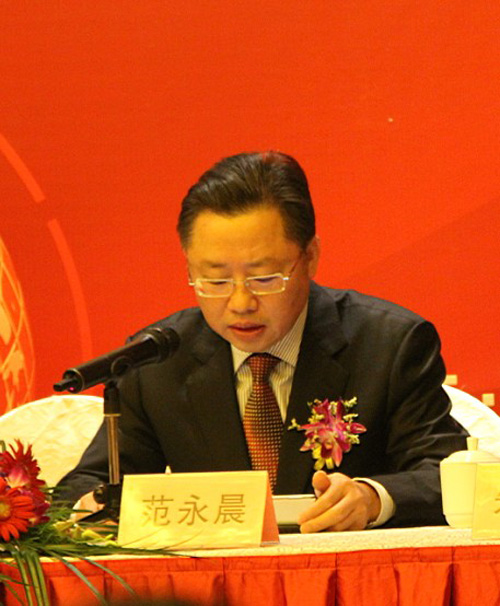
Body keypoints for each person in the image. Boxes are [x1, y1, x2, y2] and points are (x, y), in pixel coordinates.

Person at [57, 151, 467, 531]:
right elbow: (85, 484)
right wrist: (94, 506)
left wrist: (373, 498)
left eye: (265, 278)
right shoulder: (158, 361)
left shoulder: (389, 345)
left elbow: (450, 474)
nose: (240, 302)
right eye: (215, 280)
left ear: (310, 257)